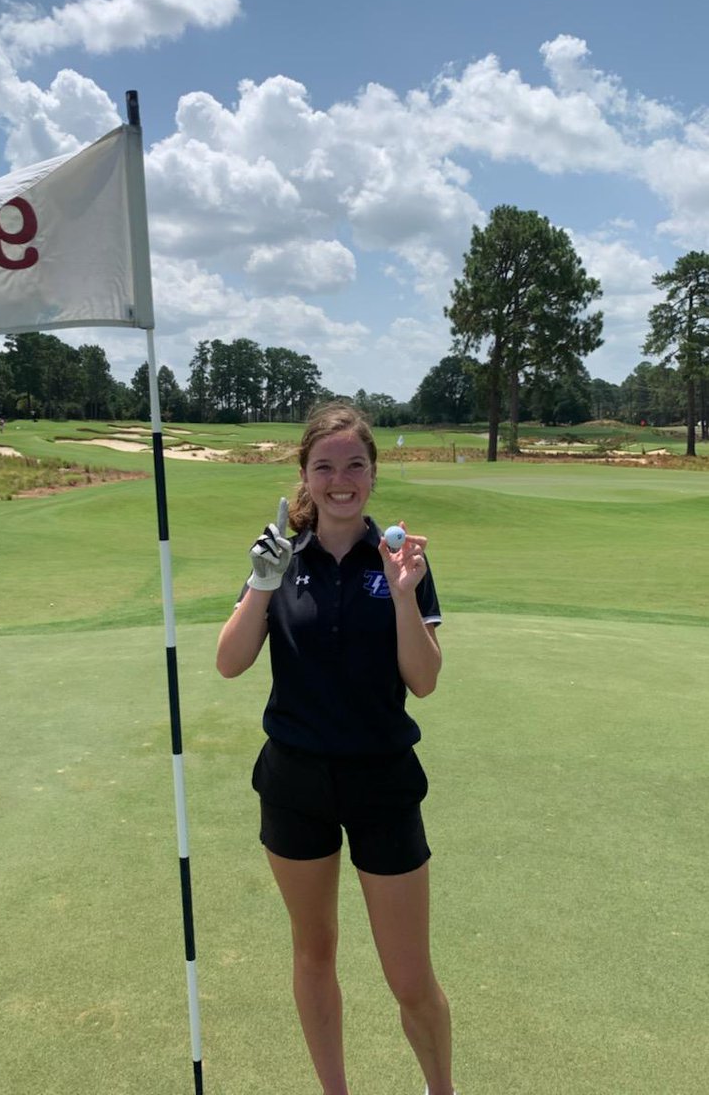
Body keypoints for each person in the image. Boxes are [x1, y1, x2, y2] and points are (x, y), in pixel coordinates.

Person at [216, 403, 456, 1095]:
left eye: (355, 465)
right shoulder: (278, 555)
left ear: (373, 474)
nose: (340, 479)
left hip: (383, 784)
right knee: (314, 953)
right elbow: (230, 662)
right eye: (325, 466)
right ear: (305, 475)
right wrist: (261, 585)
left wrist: (406, 595)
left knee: (411, 979)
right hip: (294, 785)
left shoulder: (401, 557)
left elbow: (425, 679)